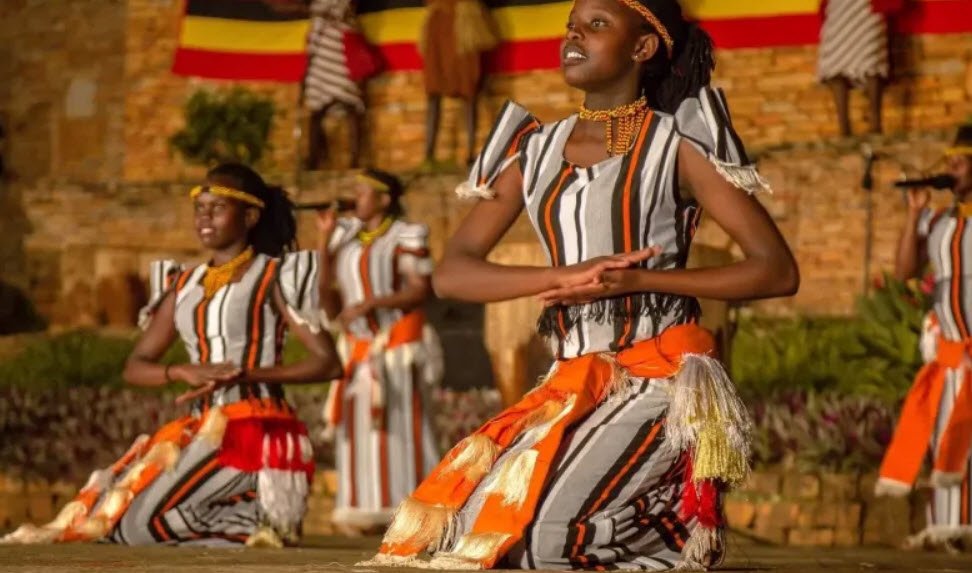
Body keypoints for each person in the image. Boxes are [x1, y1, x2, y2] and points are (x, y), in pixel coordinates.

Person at [361, 0, 799, 569]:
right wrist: (561, 276)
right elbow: (454, 272)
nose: (574, 37)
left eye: (596, 26)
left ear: (642, 48)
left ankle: (674, 532)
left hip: (658, 378)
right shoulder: (534, 149)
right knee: (468, 538)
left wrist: (636, 279)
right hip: (570, 381)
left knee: (545, 542)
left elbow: (775, 269)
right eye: (571, 26)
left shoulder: (679, 144)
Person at [0, 163, 343, 547]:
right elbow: (136, 366)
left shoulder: (274, 276)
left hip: (258, 431)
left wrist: (245, 375)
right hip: (200, 429)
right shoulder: (183, 283)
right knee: (110, 518)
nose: (205, 217)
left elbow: (327, 362)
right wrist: (181, 371)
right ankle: (253, 521)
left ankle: (261, 517)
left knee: (136, 528)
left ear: (250, 216)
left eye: (218, 208)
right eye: (200, 208)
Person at [317, 169, 442, 535]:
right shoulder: (345, 237)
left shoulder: (406, 234)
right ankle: (363, 509)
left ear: (385, 199)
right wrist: (324, 240)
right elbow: (327, 295)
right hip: (357, 350)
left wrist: (374, 302)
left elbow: (421, 288)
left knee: (403, 424)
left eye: (363, 191)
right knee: (359, 431)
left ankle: (416, 507)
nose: (356, 196)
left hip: (396, 345)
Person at [877, 123, 972, 550]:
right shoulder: (938, 221)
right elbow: (903, 273)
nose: (951, 166)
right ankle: (950, 534)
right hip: (950, 359)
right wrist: (914, 213)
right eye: (949, 159)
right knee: (946, 445)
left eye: (960, 159)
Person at [303, 0, 383, 170]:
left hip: (342, 46)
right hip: (321, 49)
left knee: (351, 105)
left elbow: (350, 8)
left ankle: (355, 160)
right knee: (317, 110)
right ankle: (314, 159)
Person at [420, 0, 498, 169]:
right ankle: (428, 155)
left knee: (469, 91)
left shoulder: (469, 12)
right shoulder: (436, 13)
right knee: (433, 92)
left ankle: (470, 153)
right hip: (438, 24)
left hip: (464, 23)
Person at [817, 0, 903, 136]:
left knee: (871, 59)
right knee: (836, 63)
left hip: (867, 8)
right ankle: (844, 128)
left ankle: (875, 125)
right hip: (838, 10)